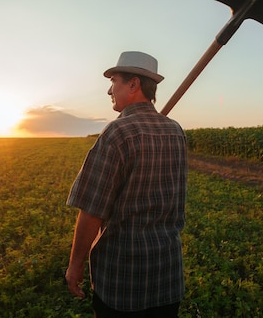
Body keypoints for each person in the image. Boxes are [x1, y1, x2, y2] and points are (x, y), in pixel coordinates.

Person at [65, 51, 188, 317]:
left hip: (122, 282)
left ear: (133, 85)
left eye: (115, 82)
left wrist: (75, 266)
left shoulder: (117, 132)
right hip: (167, 277)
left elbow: (92, 211)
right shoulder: (176, 130)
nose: (110, 90)